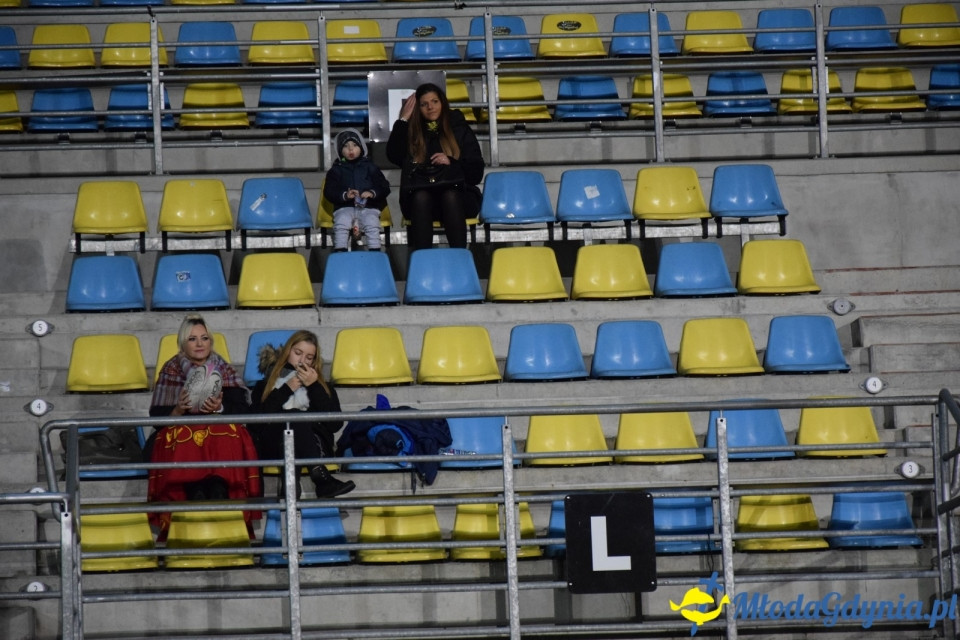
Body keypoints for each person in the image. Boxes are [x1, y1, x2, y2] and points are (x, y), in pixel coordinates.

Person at [148, 314, 261, 537]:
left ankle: (219, 489)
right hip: (182, 436)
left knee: (229, 432)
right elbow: (157, 418)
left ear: (211, 341)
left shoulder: (225, 370)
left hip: (218, 437)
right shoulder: (171, 370)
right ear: (182, 343)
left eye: (204, 338)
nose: (199, 344)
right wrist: (178, 410)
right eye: (192, 339)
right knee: (185, 433)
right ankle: (194, 490)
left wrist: (219, 408)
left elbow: (241, 410)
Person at [250, 330, 355, 499]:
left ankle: (289, 487)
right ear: (287, 352)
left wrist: (314, 387)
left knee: (296, 420)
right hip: (274, 445)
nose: (301, 360)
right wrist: (286, 389)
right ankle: (321, 479)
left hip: (315, 444)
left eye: (309, 357)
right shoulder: (265, 385)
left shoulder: (322, 386)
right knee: (292, 419)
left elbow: (335, 425)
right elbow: (256, 423)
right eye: (297, 353)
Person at [386, 82, 484, 251]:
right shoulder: (413, 131)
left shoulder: (458, 127)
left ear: (443, 103)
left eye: (435, 102)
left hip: (459, 197)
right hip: (423, 201)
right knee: (421, 197)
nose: (430, 107)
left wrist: (451, 162)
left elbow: (476, 173)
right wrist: (403, 120)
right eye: (424, 104)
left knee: (450, 195)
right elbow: (394, 156)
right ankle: (422, 264)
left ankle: (459, 259)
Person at [324, 128, 391, 252]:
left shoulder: (371, 167)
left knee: (372, 223)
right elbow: (329, 191)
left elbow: (384, 187)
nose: (350, 149)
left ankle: (375, 253)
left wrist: (372, 193)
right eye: (345, 146)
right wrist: (344, 195)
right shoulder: (335, 170)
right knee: (341, 222)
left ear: (362, 147)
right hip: (345, 207)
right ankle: (340, 251)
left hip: (368, 207)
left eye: (355, 145)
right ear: (339, 150)